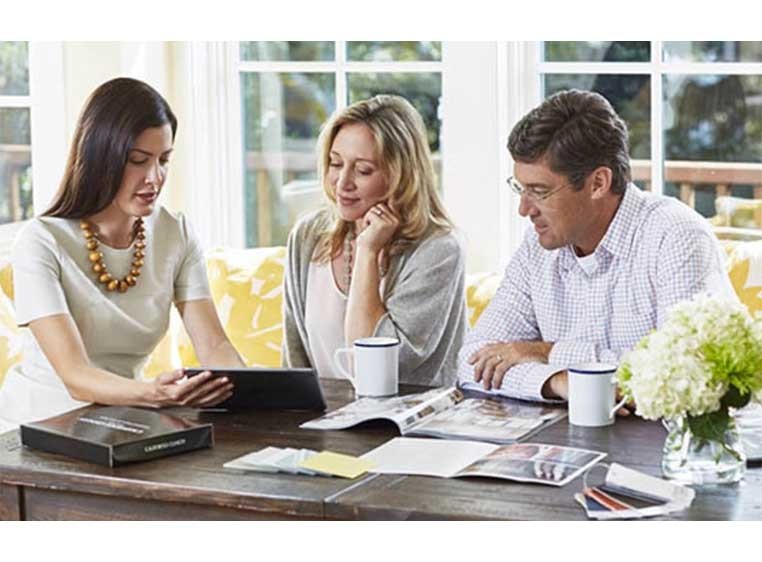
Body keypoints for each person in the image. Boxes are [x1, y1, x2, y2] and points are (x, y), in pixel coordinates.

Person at [457, 89, 735, 404]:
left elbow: (688, 374)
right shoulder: (537, 248)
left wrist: (548, 353)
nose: (524, 209)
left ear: (598, 184)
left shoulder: (676, 237)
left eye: (539, 191)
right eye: (521, 189)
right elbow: (471, 362)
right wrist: (557, 382)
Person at [0, 77, 245, 431]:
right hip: (37, 425)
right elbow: (75, 376)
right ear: (100, 157)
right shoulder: (41, 241)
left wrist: (252, 393)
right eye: (138, 160)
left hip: (121, 420)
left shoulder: (176, 234)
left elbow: (214, 344)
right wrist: (153, 394)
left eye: (164, 160)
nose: (154, 178)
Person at [283, 95, 466, 387]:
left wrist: (368, 252)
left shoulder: (438, 249)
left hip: (407, 424)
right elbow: (294, 360)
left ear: (400, 175)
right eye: (335, 163)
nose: (343, 183)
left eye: (363, 170)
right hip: (320, 424)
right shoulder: (308, 235)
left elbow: (378, 368)